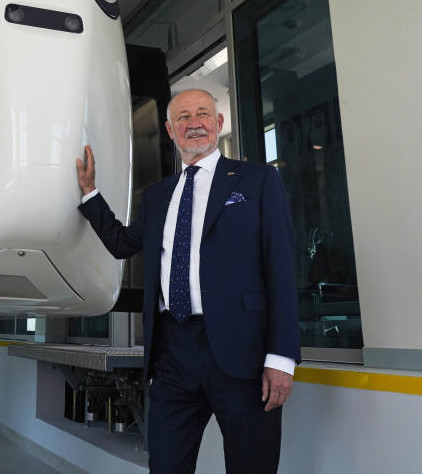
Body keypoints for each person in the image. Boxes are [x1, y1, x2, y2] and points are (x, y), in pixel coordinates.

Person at [75, 89, 299, 474]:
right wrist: (90, 193)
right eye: (182, 117)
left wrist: (281, 357)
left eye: (202, 114)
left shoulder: (258, 180)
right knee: (165, 466)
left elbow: (280, 268)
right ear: (169, 129)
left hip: (241, 352)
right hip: (172, 353)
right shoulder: (159, 195)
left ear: (219, 123)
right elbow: (121, 243)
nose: (193, 123)